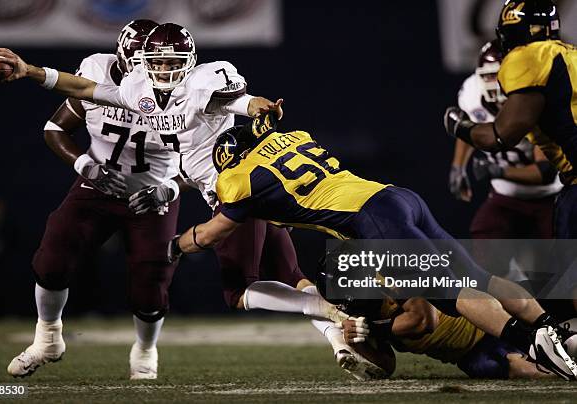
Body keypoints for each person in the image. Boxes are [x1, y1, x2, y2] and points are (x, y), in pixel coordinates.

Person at [0, 24, 367, 379]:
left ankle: (336, 307)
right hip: (237, 190)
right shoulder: (139, 90)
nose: (165, 70)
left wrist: (256, 106)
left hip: (238, 194)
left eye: (172, 63)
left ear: (188, 62)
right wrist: (30, 71)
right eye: (157, 63)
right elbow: (89, 90)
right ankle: (339, 334)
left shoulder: (203, 82)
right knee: (289, 274)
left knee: (236, 290)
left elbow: (235, 100)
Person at [168, 111, 576, 380]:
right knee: (481, 279)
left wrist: (177, 245)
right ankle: (550, 330)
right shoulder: (293, 138)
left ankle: (534, 343)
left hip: (373, 221)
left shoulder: (236, 178)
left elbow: (211, 234)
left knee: (453, 295)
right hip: (397, 198)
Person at [6, 20, 183, 380]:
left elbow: (201, 161)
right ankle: (47, 338)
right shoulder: (98, 72)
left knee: (151, 281)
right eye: (148, 67)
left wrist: (168, 188)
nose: (156, 76)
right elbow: (55, 128)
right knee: (53, 255)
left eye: (161, 66)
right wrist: (86, 165)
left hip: (152, 195)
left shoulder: (183, 92)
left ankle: (146, 349)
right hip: (96, 188)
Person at [443, 0, 577, 310]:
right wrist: (458, 165)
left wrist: (459, 128)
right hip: (540, 188)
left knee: (563, 287)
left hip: (560, 188)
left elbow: (502, 135)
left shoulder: (528, 59)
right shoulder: (568, 54)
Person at [449, 39, 562, 279]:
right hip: (507, 194)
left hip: (551, 197)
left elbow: (545, 171)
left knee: (552, 274)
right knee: (486, 243)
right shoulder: (472, 93)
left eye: (500, 75)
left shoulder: (535, 97)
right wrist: (458, 167)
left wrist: (497, 171)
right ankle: (503, 308)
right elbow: (470, 128)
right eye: (489, 76)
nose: (495, 84)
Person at [341, 297, 561, 379]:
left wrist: (373, 329)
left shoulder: (390, 281)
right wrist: (356, 343)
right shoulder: (358, 317)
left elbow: (426, 319)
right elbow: (386, 367)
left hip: (489, 323)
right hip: (469, 355)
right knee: (502, 366)